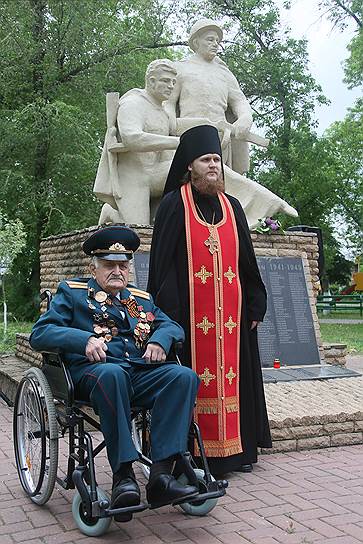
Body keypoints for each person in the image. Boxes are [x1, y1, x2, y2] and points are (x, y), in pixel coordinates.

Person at [30, 226, 200, 521]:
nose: (118, 271)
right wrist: (81, 340)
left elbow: (172, 326)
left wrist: (161, 339)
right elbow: (41, 333)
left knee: (183, 376)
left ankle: (160, 475)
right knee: (111, 374)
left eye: (123, 265)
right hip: (92, 375)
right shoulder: (73, 293)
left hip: (136, 373)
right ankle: (123, 476)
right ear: (93, 267)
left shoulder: (140, 299)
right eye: (109, 265)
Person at [148, 125, 272, 475]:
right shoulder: (175, 204)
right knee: (190, 380)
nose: (214, 165)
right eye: (206, 160)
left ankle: (237, 452)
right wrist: (173, 315)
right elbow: (163, 265)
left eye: (217, 159)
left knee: (237, 377)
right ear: (190, 165)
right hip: (191, 318)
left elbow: (247, 261)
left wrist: (255, 303)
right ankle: (192, 453)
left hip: (231, 319)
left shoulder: (232, 207)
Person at [164, 18, 298, 226]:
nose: (215, 43)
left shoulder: (224, 74)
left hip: (221, 139)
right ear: (196, 42)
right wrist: (168, 127)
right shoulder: (180, 69)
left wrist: (245, 118)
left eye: (217, 40)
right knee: (199, 183)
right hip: (190, 137)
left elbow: (240, 102)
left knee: (220, 184)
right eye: (210, 39)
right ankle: (266, 202)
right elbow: (168, 103)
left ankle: (232, 222)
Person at [93, 59, 179, 225]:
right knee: (138, 231)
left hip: (157, 172)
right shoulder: (133, 103)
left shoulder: (163, 111)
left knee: (195, 166)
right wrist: (177, 142)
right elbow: (132, 138)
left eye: (173, 82)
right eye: (165, 81)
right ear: (151, 81)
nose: (171, 86)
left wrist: (209, 126)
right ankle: (112, 211)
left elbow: (177, 126)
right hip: (132, 176)